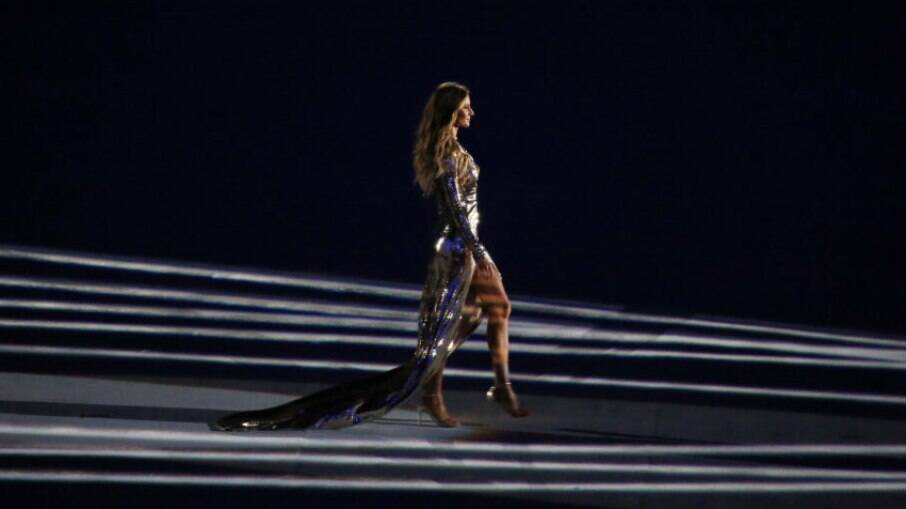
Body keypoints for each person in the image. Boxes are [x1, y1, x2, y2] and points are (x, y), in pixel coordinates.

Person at [214, 81, 527, 431]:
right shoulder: (449, 155)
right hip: (457, 248)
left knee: (480, 315)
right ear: (451, 113)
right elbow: (455, 208)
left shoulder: (455, 150)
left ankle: (469, 391)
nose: (472, 112)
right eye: (466, 107)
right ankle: (464, 391)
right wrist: (478, 249)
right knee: (455, 326)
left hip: (466, 243)